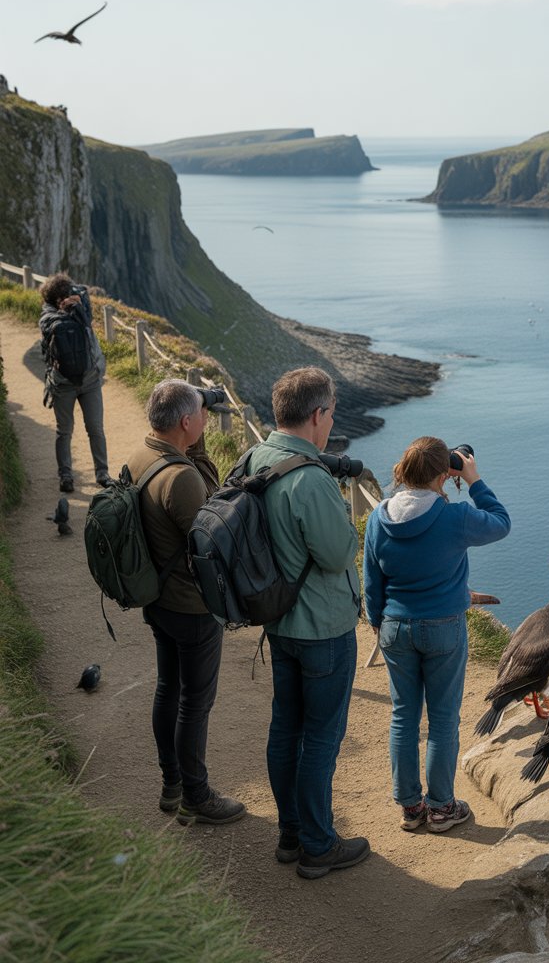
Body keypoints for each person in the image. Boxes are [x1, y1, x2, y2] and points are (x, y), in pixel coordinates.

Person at [243, 367, 368, 879]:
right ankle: (319, 845)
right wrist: (343, 515)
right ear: (318, 415)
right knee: (320, 736)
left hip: (280, 620)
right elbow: (339, 552)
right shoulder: (310, 479)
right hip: (322, 627)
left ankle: (291, 833)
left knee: (285, 727)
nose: (331, 420)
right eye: (331, 412)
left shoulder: (255, 457)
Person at [363, 438, 510, 834]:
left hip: (394, 626)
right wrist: (475, 479)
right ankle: (443, 807)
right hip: (443, 626)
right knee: (443, 720)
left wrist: (380, 623)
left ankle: (411, 808)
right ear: (445, 473)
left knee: (403, 716)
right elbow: (501, 522)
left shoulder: (379, 516)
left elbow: (371, 581)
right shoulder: (454, 516)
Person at [126, 379, 246, 827]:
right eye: (200, 410)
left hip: (157, 598)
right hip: (191, 607)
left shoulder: (142, 456)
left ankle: (172, 782)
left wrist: (193, 442)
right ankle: (196, 796)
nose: (204, 413)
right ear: (185, 422)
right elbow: (212, 530)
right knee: (195, 703)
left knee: (168, 688)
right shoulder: (182, 478)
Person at [38, 272, 111, 492]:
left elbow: (86, 321)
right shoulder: (47, 317)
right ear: (53, 300)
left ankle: (103, 473)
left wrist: (77, 306)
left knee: (96, 428)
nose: (66, 299)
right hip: (63, 383)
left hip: (90, 380)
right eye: (61, 298)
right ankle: (66, 476)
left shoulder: (81, 304)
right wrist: (65, 311)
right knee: (64, 430)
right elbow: (54, 328)